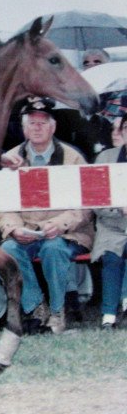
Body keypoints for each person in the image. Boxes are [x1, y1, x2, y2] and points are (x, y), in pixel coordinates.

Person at [0, 98, 94, 334]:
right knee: (7, 251)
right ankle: (36, 307)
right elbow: (3, 204)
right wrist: (14, 228)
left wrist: (59, 225)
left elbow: (86, 202)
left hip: (67, 233)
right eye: (32, 123)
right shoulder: (10, 159)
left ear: (53, 127)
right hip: (26, 230)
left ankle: (58, 311)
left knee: (53, 249)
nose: (37, 127)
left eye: (43, 122)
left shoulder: (73, 158)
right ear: (23, 128)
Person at [91, 112, 127, 328]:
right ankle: (108, 315)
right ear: (122, 133)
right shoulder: (105, 158)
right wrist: (119, 209)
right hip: (111, 226)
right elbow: (96, 201)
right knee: (112, 255)